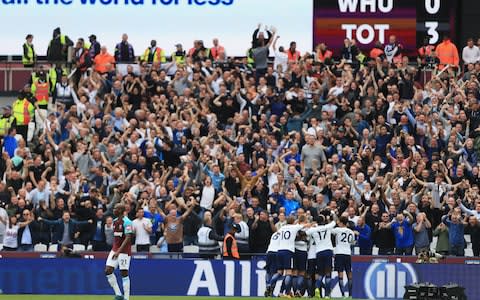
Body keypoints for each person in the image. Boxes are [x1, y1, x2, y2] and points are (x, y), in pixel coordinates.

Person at [105, 203, 133, 300]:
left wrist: (119, 251)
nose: (114, 210)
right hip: (115, 249)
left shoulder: (127, 222)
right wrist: (115, 250)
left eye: (115, 208)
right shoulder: (115, 221)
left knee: (124, 273)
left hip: (124, 251)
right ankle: (118, 294)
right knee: (108, 270)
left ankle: (126, 298)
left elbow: (128, 238)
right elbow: (117, 238)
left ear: (120, 210)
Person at [276, 216, 307, 298]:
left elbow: (278, 233)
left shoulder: (283, 227)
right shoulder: (295, 227)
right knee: (290, 273)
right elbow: (305, 226)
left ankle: (282, 291)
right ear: (294, 221)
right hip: (290, 251)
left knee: (287, 272)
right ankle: (289, 292)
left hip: (280, 250)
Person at [306, 215, 336, 299]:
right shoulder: (328, 227)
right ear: (323, 220)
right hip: (328, 251)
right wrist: (329, 217)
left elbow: (307, 232)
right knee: (328, 273)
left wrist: (312, 226)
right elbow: (334, 222)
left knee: (320, 274)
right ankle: (327, 295)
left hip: (319, 252)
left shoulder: (313, 230)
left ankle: (316, 288)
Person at [332, 216, 356, 298]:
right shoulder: (351, 232)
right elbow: (352, 242)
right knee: (349, 273)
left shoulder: (337, 230)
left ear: (341, 223)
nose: (338, 223)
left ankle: (342, 294)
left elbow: (331, 230)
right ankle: (350, 294)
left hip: (339, 253)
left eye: (339, 222)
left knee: (340, 274)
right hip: (347, 253)